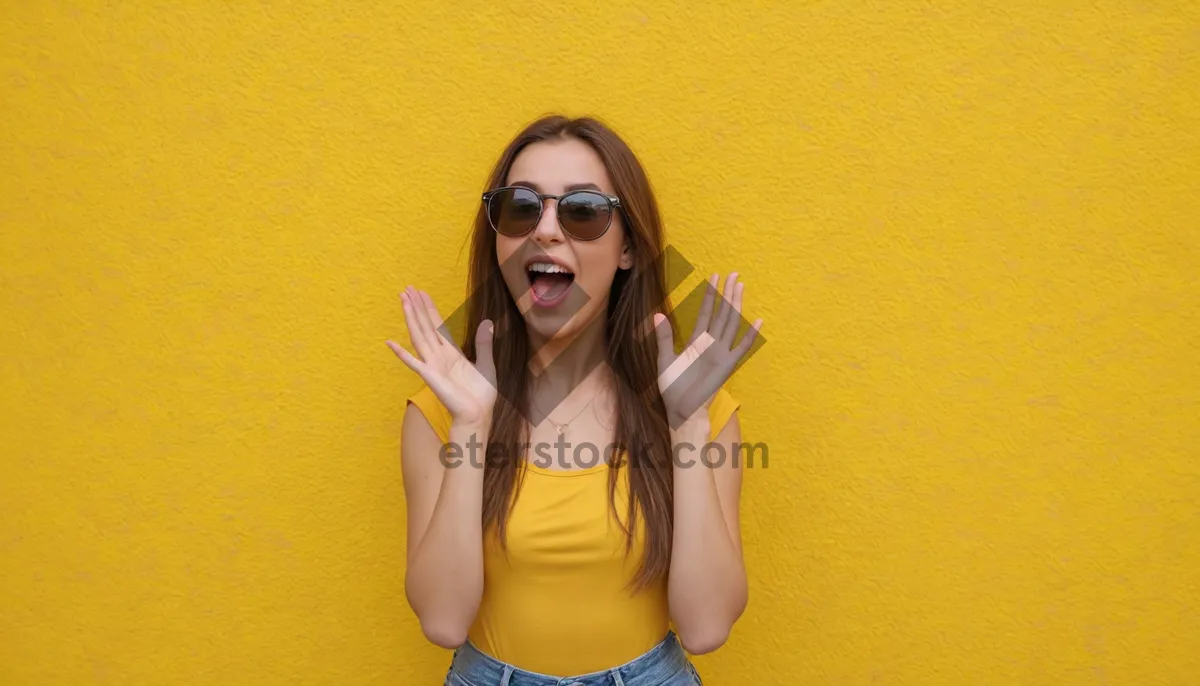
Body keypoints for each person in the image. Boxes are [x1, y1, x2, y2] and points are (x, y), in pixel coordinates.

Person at [386, 115, 764, 686]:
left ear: (628, 247)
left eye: (582, 211)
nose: (544, 231)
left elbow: (706, 627)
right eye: (520, 208)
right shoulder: (440, 409)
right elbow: (442, 620)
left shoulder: (701, 405)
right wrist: (469, 427)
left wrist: (686, 427)